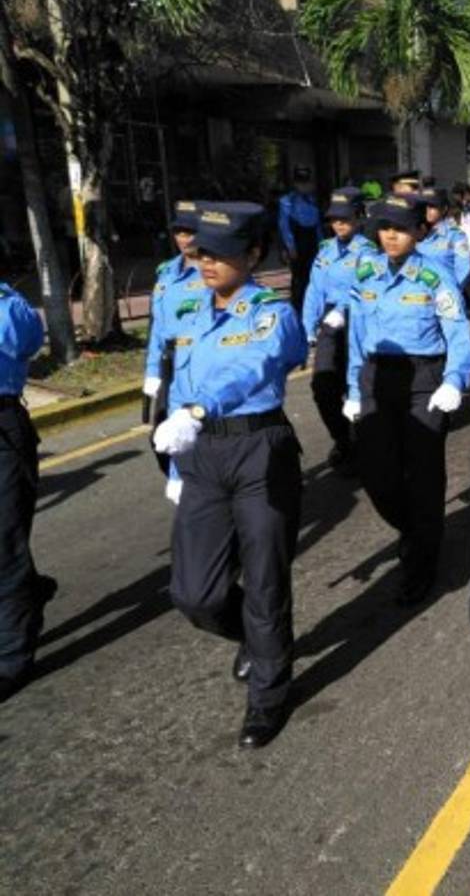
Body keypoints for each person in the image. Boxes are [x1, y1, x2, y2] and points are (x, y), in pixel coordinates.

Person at [153, 202, 308, 748]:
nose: (207, 264)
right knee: (195, 594)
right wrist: (175, 457)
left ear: (253, 254)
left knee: (266, 579)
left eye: (219, 254)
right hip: (201, 457)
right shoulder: (189, 313)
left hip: (258, 448)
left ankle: (268, 693)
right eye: (200, 254)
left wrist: (200, 411)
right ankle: (262, 639)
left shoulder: (271, 313)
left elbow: (258, 365)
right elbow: (175, 379)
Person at [344, 195, 470, 605]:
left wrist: (454, 380)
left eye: (400, 228)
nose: (391, 236)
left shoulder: (435, 277)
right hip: (376, 377)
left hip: (424, 379)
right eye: (384, 228)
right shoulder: (365, 274)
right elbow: (356, 337)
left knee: (423, 475)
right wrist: (352, 389)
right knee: (377, 474)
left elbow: (458, 335)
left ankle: (422, 559)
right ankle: (416, 529)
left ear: (419, 232)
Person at [0, 281, 55, 702]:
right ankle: (28, 591)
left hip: (3, 428)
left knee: (5, 545)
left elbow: (27, 342)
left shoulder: (8, 305)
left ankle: (11, 658)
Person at [302, 187, 374, 474]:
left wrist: (342, 310)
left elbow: (363, 287)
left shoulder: (368, 251)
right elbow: (314, 290)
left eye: (345, 218)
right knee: (322, 386)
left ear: (358, 217)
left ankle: (366, 442)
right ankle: (342, 438)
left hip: (359, 322)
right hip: (331, 326)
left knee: (358, 384)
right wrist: (307, 327)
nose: (339, 224)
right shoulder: (326, 250)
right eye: (334, 219)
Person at [143, 200, 203, 477]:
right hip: (170, 361)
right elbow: (157, 325)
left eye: (190, 232)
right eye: (179, 232)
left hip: (202, 361)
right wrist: (152, 371)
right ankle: (184, 483)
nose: (184, 238)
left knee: (205, 430)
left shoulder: (214, 271)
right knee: (161, 437)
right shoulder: (166, 272)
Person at [278, 166, 324, 314]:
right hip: (297, 240)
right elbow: (284, 225)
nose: (303, 186)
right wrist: (290, 246)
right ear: (295, 183)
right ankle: (297, 308)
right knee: (298, 277)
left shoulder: (313, 200)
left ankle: (313, 305)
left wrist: (321, 244)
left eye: (306, 182)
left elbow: (318, 225)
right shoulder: (287, 201)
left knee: (313, 274)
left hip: (311, 239)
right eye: (300, 182)